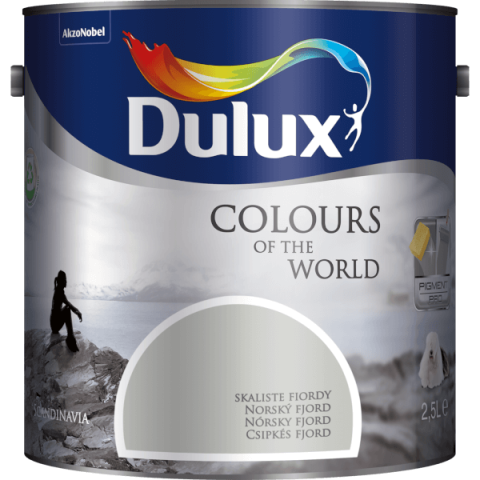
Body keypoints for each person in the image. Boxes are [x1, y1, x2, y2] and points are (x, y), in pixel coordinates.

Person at [50, 271, 83, 353]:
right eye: (65, 280)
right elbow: (69, 305)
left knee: (67, 308)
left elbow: (68, 303)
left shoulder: (59, 290)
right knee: (67, 309)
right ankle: (70, 337)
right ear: (61, 281)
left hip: (54, 323)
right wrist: (77, 312)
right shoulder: (59, 292)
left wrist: (77, 311)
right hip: (55, 325)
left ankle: (70, 336)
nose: (66, 282)